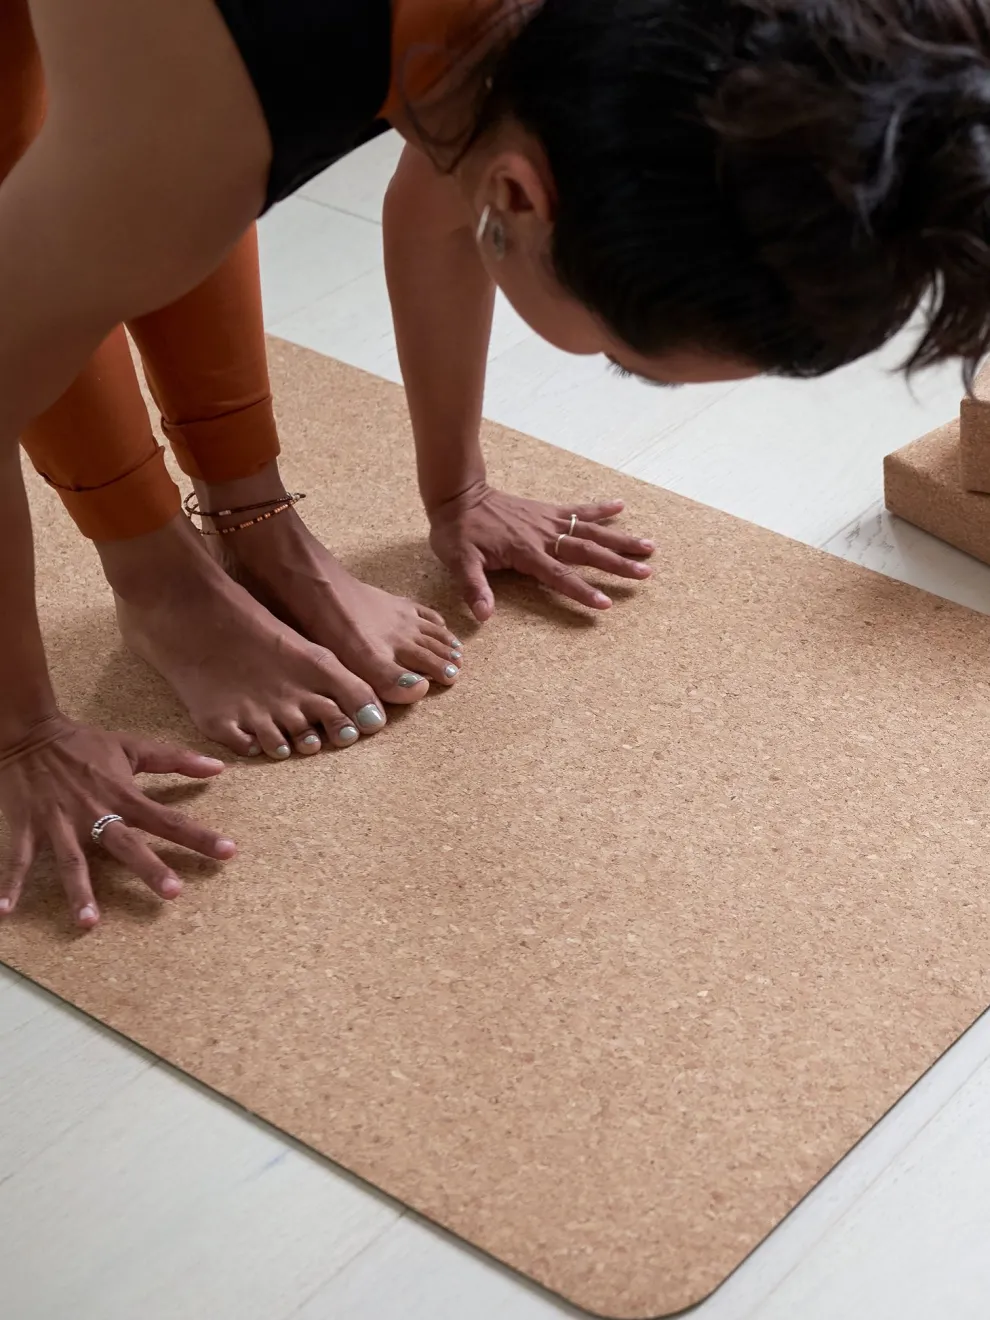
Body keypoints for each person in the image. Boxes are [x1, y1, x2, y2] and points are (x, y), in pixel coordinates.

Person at [2, 0, 988, 929]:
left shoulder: (581, 38)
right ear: (520, 197)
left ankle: (253, 521)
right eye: (625, 359)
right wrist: (22, 732)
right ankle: (158, 579)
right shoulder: (211, 124)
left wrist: (456, 488)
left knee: (169, 174)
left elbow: (452, 172)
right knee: (123, 194)